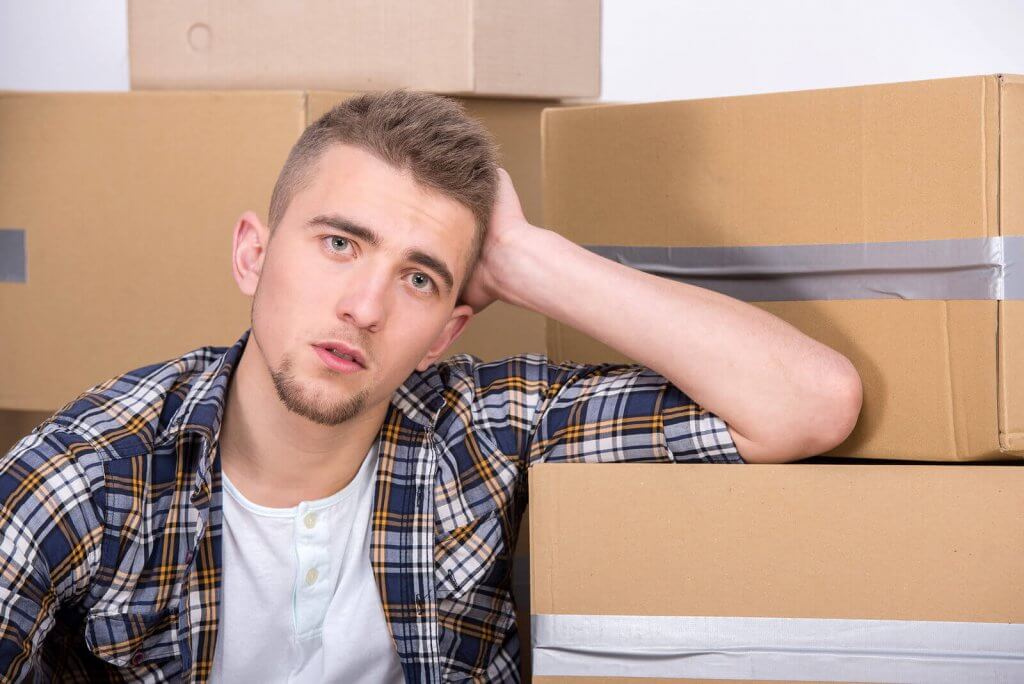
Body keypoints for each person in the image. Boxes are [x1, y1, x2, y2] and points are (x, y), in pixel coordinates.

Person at [0, 90, 862, 683]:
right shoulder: (93, 472)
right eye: (339, 243)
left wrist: (529, 259)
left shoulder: (479, 429)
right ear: (252, 255)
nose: (366, 306)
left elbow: (809, 403)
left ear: (449, 329)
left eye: (419, 278)